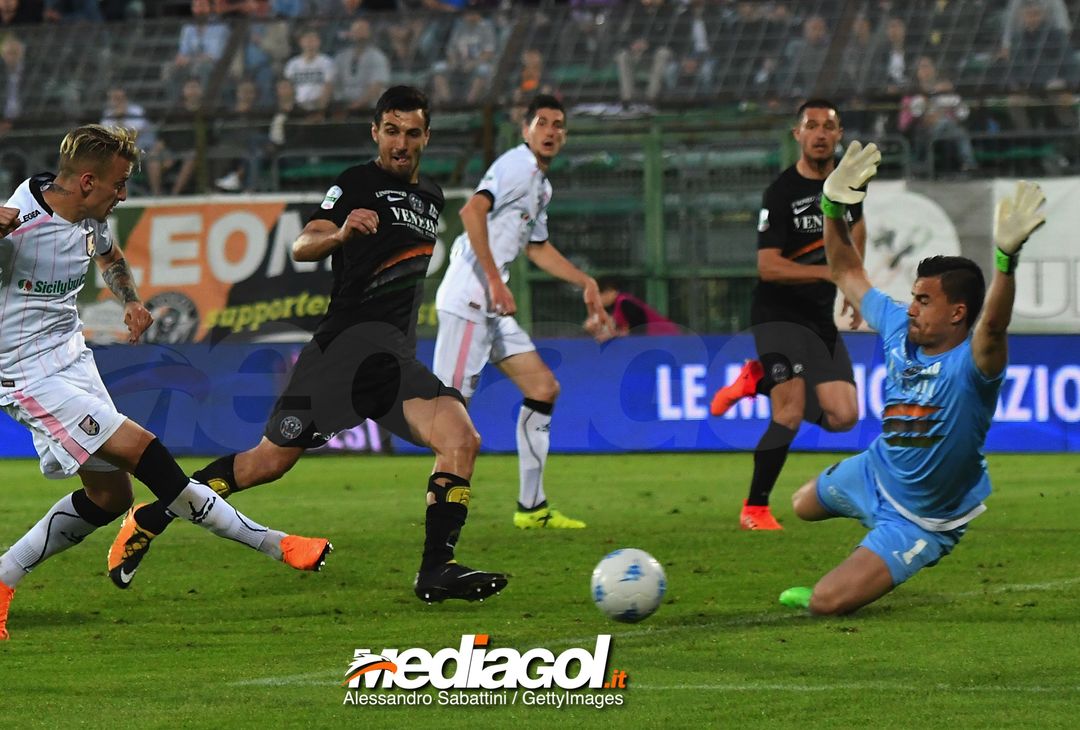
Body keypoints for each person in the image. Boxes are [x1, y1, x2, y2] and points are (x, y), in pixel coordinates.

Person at [108, 87, 507, 604]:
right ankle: (152, 516)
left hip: (393, 364)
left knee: (461, 440)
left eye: (412, 132)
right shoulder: (356, 183)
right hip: (340, 358)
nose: (401, 143)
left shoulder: (430, 196)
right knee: (266, 464)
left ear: (426, 136)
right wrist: (340, 235)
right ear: (375, 132)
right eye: (391, 131)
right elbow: (303, 243)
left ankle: (437, 571)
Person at [0, 125, 331, 639]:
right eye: (119, 184)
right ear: (88, 181)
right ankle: (277, 544)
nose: (124, 194)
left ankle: (2, 578)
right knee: (144, 449)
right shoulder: (16, 224)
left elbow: (108, 256)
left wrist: (129, 299)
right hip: (26, 374)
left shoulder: (88, 215)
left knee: (111, 497)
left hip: (73, 360)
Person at [778, 142, 1046, 615]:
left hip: (922, 519)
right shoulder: (901, 326)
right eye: (914, 296)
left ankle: (868, 562)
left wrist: (1006, 261)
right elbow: (845, 271)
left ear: (957, 313)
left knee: (824, 604)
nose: (912, 306)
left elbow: (995, 328)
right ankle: (867, 538)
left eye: (924, 299)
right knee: (800, 504)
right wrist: (831, 206)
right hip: (875, 470)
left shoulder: (973, 364)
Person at [433, 94, 612, 530]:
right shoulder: (515, 165)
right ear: (525, 130)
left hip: (491, 307)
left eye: (558, 125)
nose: (551, 131)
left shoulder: (540, 185)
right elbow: (471, 210)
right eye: (543, 123)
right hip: (468, 298)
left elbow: (537, 247)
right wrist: (495, 279)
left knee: (543, 388)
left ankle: (532, 508)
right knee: (449, 421)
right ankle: (439, 527)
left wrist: (585, 282)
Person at [708, 100, 863, 531]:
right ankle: (754, 508)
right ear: (797, 135)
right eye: (810, 126)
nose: (819, 133)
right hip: (778, 312)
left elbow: (858, 227)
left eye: (827, 127)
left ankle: (755, 380)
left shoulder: (848, 185)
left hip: (818, 315)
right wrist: (829, 272)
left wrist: (853, 279)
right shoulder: (780, 193)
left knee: (843, 416)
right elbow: (767, 266)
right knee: (790, 410)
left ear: (839, 134)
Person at [588, 277, 680, 340]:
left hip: (665, 337)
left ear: (610, 291)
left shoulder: (626, 303)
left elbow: (640, 328)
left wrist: (613, 335)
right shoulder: (617, 306)